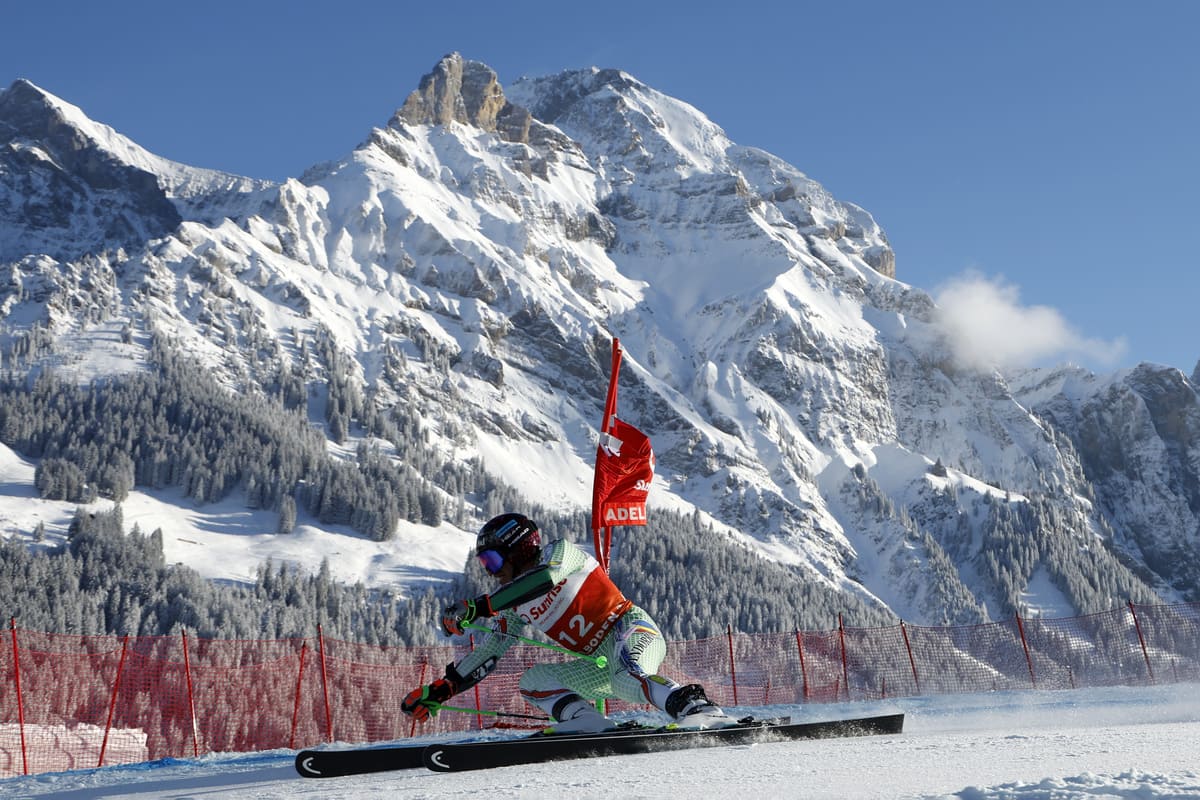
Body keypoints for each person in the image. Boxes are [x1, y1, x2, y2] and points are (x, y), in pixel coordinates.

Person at [401, 512, 729, 733]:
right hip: (598, 662)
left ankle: (696, 707)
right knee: (533, 680)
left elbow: (545, 579)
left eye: (493, 560)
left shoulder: (559, 553)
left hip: (628, 628)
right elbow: (492, 649)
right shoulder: (512, 601)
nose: (491, 571)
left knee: (628, 674)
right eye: (486, 564)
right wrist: (444, 688)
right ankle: (586, 722)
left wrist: (481, 606)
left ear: (517, 550)